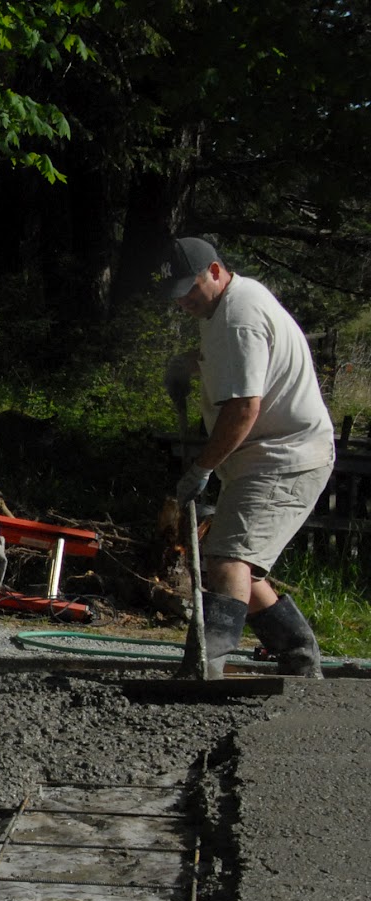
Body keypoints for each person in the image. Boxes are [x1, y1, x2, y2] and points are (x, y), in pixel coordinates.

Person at [162, 236, 335, 678]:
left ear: (215, 271)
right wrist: (192, 363)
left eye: (190, 289)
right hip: (269, 455)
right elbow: (239, 360)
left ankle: (206, 659)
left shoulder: (238, 316)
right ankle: (298, 653)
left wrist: (201, 468)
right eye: (177, 294)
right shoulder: (225, 305)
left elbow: (243, 407)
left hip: (284, 456)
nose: (184, 301)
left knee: (227, 561)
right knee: (244, 567)